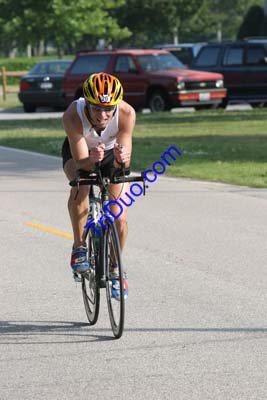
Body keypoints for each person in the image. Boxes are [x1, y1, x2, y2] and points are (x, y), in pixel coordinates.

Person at [61, 72, 136, 299]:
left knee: (119, 217)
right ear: (87, 104)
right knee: (81, 185)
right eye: (96, 109)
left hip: (110, 152)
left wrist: (122, 158)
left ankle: (116, 269)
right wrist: (91, 159)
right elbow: (82, 163)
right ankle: (79, 248)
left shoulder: (126, 113)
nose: (103, 115)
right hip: (82, 153)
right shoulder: (72, 115)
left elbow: (125, 162)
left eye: (108, 109)